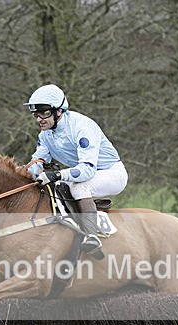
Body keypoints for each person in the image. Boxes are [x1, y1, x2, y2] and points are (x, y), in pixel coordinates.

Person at [23, 84, 127, 259]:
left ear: (59, 111)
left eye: (45, 113)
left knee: (79, 187)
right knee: (52, 187)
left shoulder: (82, 127)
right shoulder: (45, 135)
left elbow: (87, 170)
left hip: (111, 173)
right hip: (85, 173)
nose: (39, 119)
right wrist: (19, 175)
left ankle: (92, 237)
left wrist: (56, 174)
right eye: (36, 114)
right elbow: (37, 164)